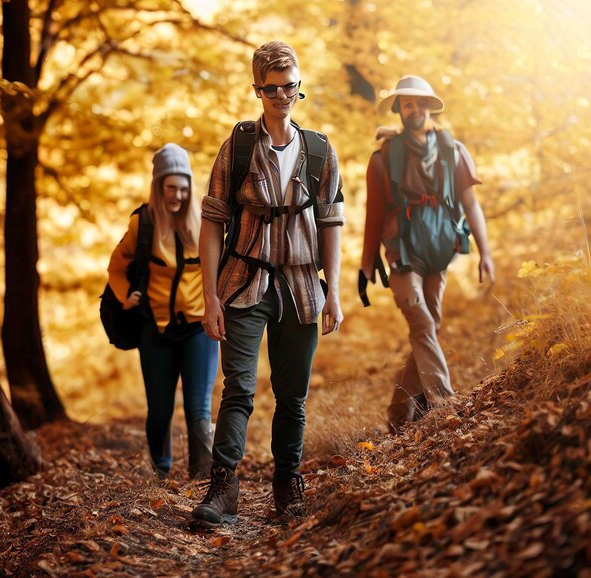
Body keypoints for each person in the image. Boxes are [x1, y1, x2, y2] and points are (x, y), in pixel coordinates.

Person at [191, 41, 344, 525]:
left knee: (292, 394)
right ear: (258, 89)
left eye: (290, 86)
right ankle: (222, 487)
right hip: (242, 284)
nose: (282, 95)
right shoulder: (237, 146)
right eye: (272, 88)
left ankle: (288, 484)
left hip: (301, 289)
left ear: (300, 87)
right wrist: (210, 296)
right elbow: (213, 220)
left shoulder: (319, 150)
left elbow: (332, 222)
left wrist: (334, 291)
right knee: (237, 389)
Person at [360, 75, 495, 434]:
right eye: (407, 103)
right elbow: (373, 214)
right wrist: (365, 262)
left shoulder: (454, 151)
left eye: (420, 103)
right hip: (401, 250)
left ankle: (399, 410)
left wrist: (485, 252)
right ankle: (443, 400)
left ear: (430, 107)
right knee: (421, 320)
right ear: (399, 109)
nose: (414, 109)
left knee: (428, 327)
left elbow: (470, 203)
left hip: (439, 248)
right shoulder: (384, 158)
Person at [107, 144, 218, 480]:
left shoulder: (204, 223)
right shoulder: (143, 224)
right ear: (158, 187)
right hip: (155, 329)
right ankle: (161, 472)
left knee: (199, 409)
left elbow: (222, 268)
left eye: (184, 189)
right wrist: (126, 296)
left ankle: (202, 479)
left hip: (198, 327)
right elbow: (116, 267)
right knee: (159, 411)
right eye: (171, 188)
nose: (179, 196)